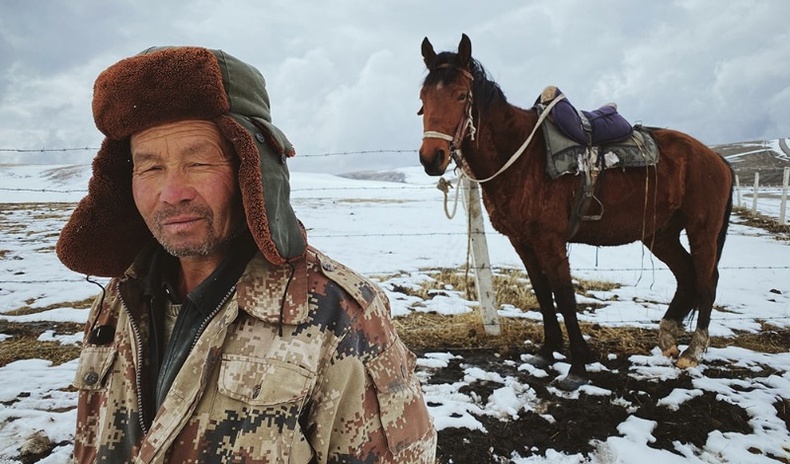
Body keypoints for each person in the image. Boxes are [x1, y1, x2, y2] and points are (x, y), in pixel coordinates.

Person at [56, 46, 436, 463]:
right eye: (150, 168)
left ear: (251, 168)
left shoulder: (336, 315)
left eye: (198, 162)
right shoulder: (117, 303)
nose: (171, 193)